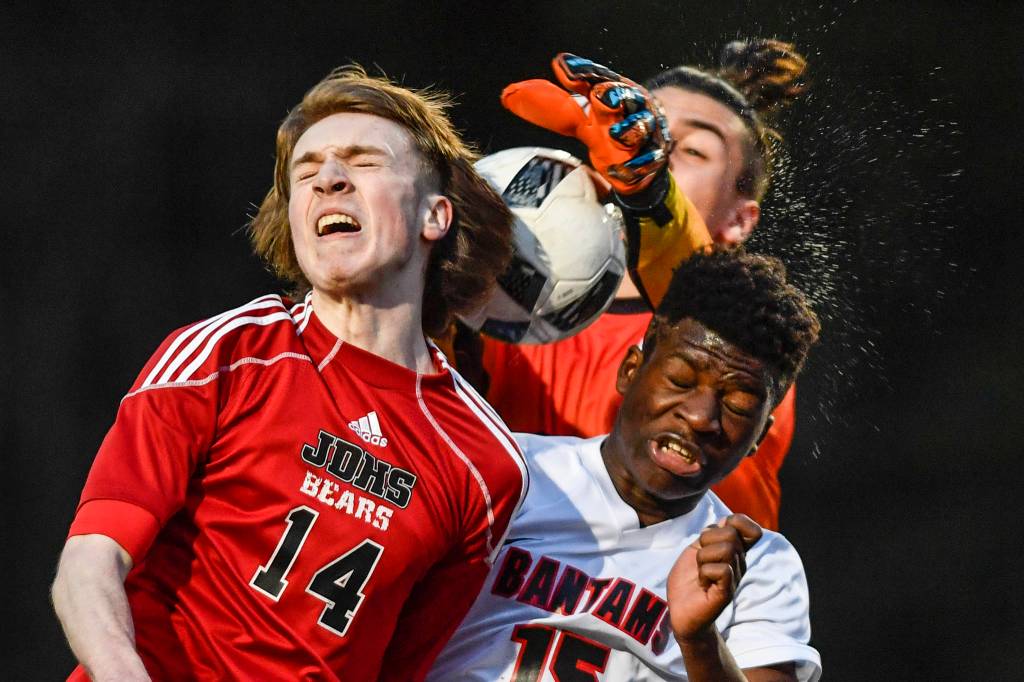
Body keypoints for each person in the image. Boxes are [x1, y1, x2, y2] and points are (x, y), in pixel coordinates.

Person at [50, 67, 528, 681]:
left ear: (433, 216)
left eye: (362, 162)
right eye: (307, 172)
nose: (328, 179)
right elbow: (89, 562)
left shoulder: (486, 463)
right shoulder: (228, 355)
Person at [430, 247, 822, 681]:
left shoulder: (760, 562)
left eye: (737, 404)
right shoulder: (507, 471)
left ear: (759, 437)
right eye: (681, 380)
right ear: (631, 371)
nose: (700, 417)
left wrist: (699, 638)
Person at [477, 42, 809, 530]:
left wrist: (653, 196)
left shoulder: (743, 349)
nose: (658, 150)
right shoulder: (504, 302)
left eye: (694, 150)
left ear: (740, 220)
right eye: (645, 131)